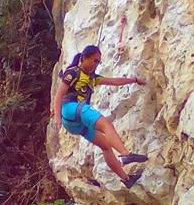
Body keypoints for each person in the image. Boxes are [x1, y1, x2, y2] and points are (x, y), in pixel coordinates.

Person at [52, 44, 148, 188]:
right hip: (70, 109)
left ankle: (126, 179)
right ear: (84, 58)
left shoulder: (92, 78)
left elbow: (114, 81)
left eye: (98, 62)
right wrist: (57, 118)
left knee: (106, 146)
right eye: (94, 60)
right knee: (106, 125)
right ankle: (125, 154)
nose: (96, 64)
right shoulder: (73, 72)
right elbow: (59, 94)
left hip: (75, 123)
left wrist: (134, 80)